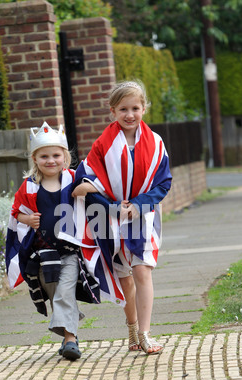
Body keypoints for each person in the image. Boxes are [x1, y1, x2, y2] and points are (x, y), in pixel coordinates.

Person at [72, 80, 172, 355]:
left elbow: (163, 183)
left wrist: (138, 204)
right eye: (123, 109)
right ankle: (131, 328)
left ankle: (145, 333)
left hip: (143, 217)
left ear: (144, 108)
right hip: (111, 219)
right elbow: (85, 181)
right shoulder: (102, 145)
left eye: (135, 108)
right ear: (113, 111)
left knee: (142, 271)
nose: (130, 114)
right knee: (125, 278)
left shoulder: (156, 143)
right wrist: (114, 206)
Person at [5, 122, 100, 361]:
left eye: (56, 155)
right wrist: (27, 218)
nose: (51, 160)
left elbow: (98, 186)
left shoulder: (72, 179)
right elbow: (16, 212)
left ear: (65, 157)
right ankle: (71, 337)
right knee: (57, 292)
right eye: (44, 156)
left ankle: (69, 340)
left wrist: (85, 188)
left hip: (69, 251)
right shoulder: (29, 186)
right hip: (43, 254)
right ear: (34, 158)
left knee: (65, 289)